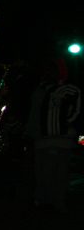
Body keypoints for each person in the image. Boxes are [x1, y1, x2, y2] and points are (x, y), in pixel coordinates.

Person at [25, 58, 81, 212]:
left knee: (56, 173)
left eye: (52, 70)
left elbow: (77, 111)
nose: (48, 73)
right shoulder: (41, 88)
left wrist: (64, 126)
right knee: (41, 172)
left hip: (59, 139)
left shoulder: (69, 89)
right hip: (40, 137)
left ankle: (56, 203)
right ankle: (42, 200)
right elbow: (34, 112)